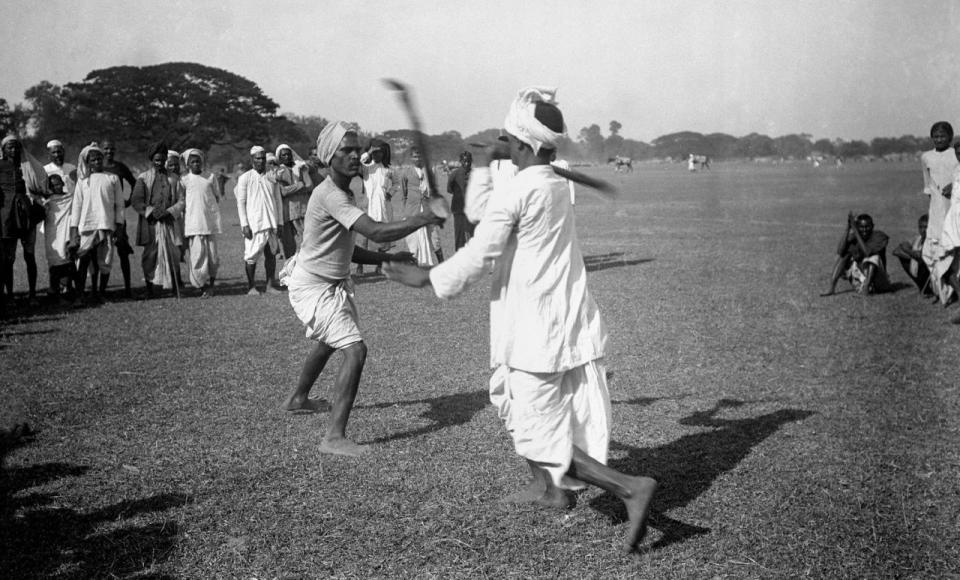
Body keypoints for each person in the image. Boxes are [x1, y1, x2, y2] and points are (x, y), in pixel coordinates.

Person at [383, 88, 657, 553]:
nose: (501, 142)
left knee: (537, 429)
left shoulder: (525, 189)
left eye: (508, 138)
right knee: (509, 400)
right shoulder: (548, 183)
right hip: (543, 318)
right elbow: (479, 213)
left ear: (526, 146)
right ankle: (550, 491)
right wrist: (490, 164)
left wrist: (427, 278)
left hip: (536, 326)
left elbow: (480, 249)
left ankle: (630, 487)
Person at [283, 121, 445, 456]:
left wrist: (387, 258)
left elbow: (346, 248)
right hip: (313, 286)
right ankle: (333, 438)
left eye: (357, 149)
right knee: (355, 350)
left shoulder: (344, 192)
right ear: (330, 157)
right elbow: (376, 230)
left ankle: (298, 397)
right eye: (347, 150)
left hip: (327, 283)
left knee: (329, 342)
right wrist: (423, 218)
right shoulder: (330, 194)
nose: (357, 155)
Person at [67, 143, 125, 303]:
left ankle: (100, 293)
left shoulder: (112, 178)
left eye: (99, 158)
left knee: (105, 261)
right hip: (87, 226)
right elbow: (77, 206)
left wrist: (119, 226)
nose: (97, 161)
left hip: (106, 225)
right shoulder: (83, 181)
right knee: (84, 260)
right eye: (93, 159)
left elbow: (119, 205)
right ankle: (80, 294)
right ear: (88, 162)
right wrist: (73, 231)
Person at [131, 141, 185, 298]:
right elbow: (137, 200)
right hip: (151, 224)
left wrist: (169, 212)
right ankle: (150, 289)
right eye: (157, 160)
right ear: (151, 160)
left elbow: (181, 200)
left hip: (169, 222)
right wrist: (152, 212)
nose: (159, 163)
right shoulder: (143, 178)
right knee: (150, 256)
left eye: (162, 160)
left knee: (173, 253)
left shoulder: (174, 178)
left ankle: (175, 288)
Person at [0, 135, 49, 308]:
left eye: (16, 147)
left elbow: (42, 184)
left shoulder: (28, 166)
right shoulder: (0, 166)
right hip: (6, 215)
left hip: (27, 214)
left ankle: (33, 294)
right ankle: (10, 296)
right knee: (8, 258)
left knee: (29, 255)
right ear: (3, 150)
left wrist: (36, 196)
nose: (13, 150)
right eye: (10, 147)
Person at [235, 145, 282, 295]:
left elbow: (278, 200)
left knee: (271, 255)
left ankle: (270, 285)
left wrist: (279, 222)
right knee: (251, 256)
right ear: (252, 160)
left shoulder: (272, 176)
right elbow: (241, 202)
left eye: (263, 158)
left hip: (271, 222)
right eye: (258, 158)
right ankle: (251, 287)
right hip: (254, 224)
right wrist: (244, 224)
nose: (261, 161)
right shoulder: (245, 178)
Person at [919, 121, 958, 304]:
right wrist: (935, 209)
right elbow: (928, 186)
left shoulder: (955, 153)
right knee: (934, 248)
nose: (939, 139)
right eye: (936, 136)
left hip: (955, 205)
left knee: (953, 245)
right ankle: (941, 289)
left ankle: (954, 288)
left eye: (943, 136)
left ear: (950, 137)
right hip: (937, 207)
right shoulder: (926, 157)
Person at [181, 148, 222, 296]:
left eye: (198, 161)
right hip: (194, 225)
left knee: (213, 257)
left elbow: (216, 197)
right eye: (193, 162)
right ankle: (201, 286)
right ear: (188, 165)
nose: (196, 164)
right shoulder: (184, 180)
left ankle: (210, 286)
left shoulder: (210, 177)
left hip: (209, 224)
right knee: (198, 257)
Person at [101, 139, 137, 298]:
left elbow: (135, 184)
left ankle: (128, 289)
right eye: (106, 148)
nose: (109, 151)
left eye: (112, 149)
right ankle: (100, 291)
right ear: (101, 150)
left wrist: (128, 201)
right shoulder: (96, 166)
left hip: (119, 214)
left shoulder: (120, 167)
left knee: (123, 250)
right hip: (102, 214)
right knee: (102, 252)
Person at [821, 213, 890, 296]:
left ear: (873, 226)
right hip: (860, 280)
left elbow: (867, 252)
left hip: (879, 283)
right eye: (861, 227)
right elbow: (840, 251)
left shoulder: (879, 236)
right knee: (845, 255)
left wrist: (855, 230)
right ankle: (831, 288)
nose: (864, 230)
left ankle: (866, 289)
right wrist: (848, 228)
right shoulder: (855, 238)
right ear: (858, 227)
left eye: (867, 227)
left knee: (874, 257)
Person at [357, 138, 394, 274]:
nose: (377, 155)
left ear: (384, 154)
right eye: (375, 152)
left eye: (380, 153)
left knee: (381, 238)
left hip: (382, 207)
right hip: (368, 206)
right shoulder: (367, 168)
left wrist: (391, 192)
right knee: (363, 239)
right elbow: (358, 162)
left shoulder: (388, 170)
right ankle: (359, 266)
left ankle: (380, 266)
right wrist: (368, 152)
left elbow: (396, 183)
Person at [398, 146, 440, 265]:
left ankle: (439, 262)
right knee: (413, 240)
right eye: (415, 156)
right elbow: (403, 194)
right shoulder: (406, 172)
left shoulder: (428, 171)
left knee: (434, 237)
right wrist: (405, 211)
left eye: (419, 156)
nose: (417, 158)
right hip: (412, 209)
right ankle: (415, 263)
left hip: (427, 208)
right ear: (411, 157)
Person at [40, 173, 75, 302]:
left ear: (63, 184)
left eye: (58, 184)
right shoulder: (47, 201)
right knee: (55, 262)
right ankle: (55, 291)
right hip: (52, 235)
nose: (57, 187)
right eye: (53, 186)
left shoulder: (69, 198)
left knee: (67, 261)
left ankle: (67, 290)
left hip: (65, 233)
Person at [275, 144, 313, 259]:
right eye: (283, 155)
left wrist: (292, 188)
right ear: (279, 157)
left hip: (302, 210)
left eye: (288, 154)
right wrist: (300, 185)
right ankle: (290, 270)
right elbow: (283, 192)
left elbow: (310, 185)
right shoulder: (279, 172)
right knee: (289, 245)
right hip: (287, 213)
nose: (286, 156)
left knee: (307, 241)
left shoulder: (301, 168)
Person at [892, 214, 931, 294]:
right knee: (906, 259)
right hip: (921, 268)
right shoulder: (918, 239)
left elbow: (922, 256)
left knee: (922, 261)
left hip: (931, 273)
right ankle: (922, 287)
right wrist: (914, 257)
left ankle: (930, 288)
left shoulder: (933, 241)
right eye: (921, 227)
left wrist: (909, 252)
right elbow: (896, 251)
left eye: (926, 227)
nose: (923, 230)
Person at [447, 151, 474, 250]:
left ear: (471, 161)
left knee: (473, 235)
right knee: (459, 236)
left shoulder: (475, 174)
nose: (466, 163)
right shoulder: (454, 174)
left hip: (472, 210)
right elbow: (449, 189)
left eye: (468, 161)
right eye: (464, 161)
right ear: (461, 161)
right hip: (458, 210)